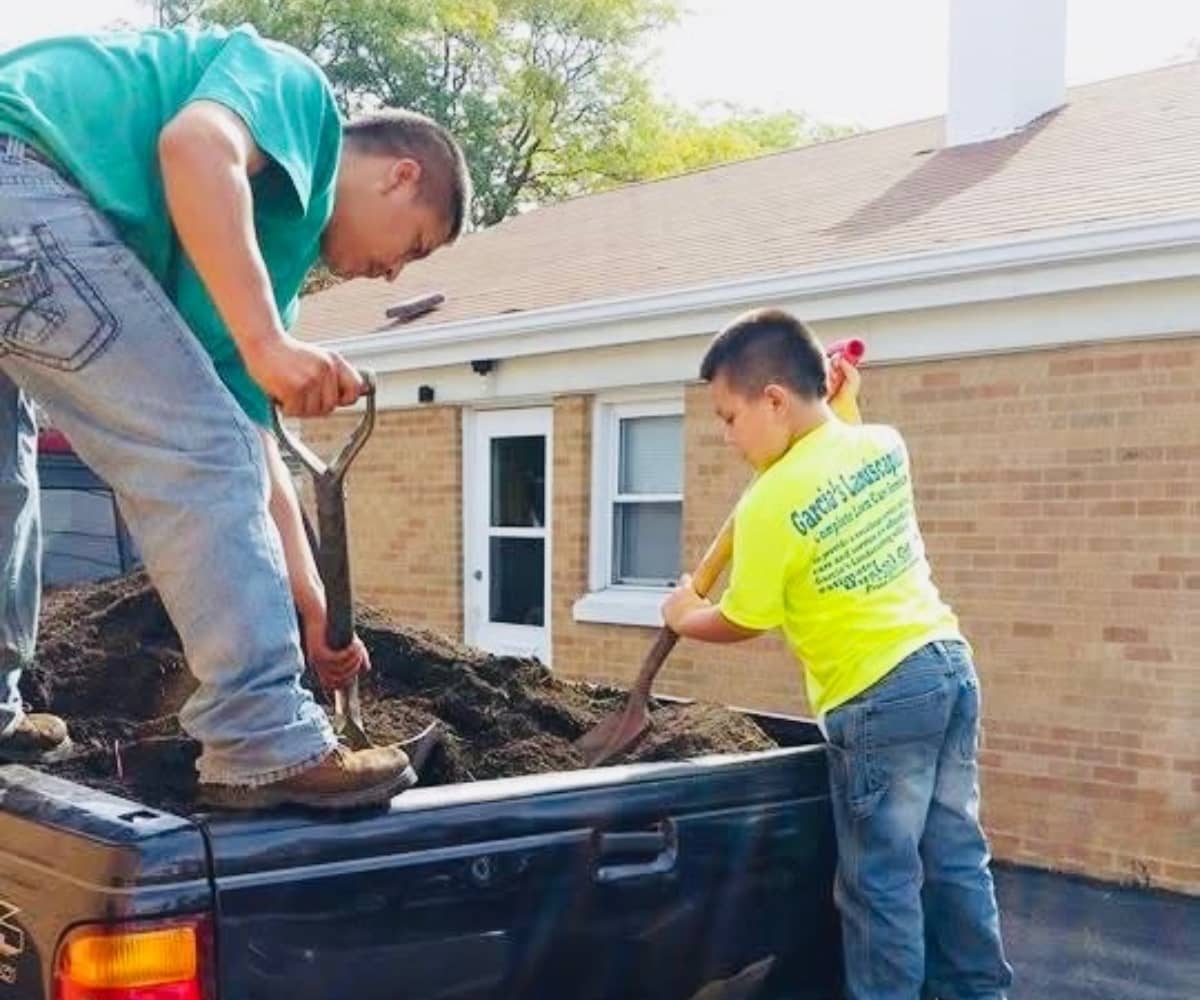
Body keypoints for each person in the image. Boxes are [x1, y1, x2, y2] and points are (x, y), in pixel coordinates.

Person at [0, 23, 471, 810]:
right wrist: (266, 342)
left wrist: (316, 605)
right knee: (192, 448)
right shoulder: (301, 98)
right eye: (414, 247)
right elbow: (195, 145)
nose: (393, 272)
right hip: (22, 178)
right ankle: (262, 739)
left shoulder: (246, 256)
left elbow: (248, 448)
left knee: (8, 477)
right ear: (400, 175)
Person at [662, 308, 1013, 999]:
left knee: (881, 882)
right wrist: (842, 407)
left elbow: (741, 618)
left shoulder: (770, 502)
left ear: (774, 400)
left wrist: (684, 614)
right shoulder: (882, 443)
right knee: (954, 859)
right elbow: (835, 452)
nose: (726, 436)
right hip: (946, 666)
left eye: (729, 418)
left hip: (878, 694)